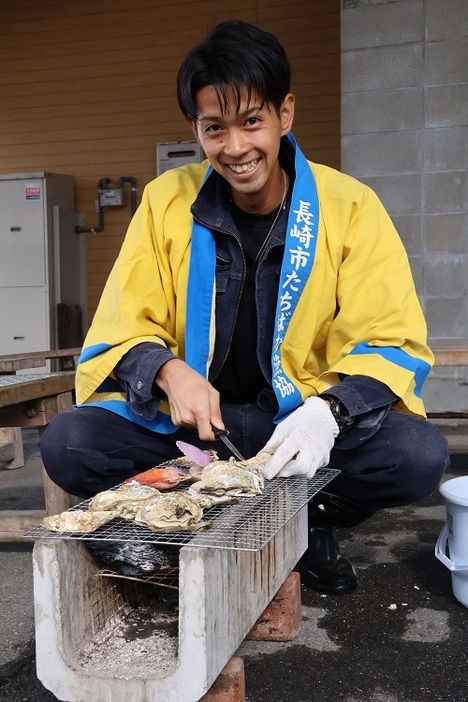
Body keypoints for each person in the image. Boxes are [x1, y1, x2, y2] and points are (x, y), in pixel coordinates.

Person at [40, 19, 449, 594]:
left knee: (415, 455)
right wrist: (167, 369)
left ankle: (307, 525)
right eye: (215, 128)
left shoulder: (351, 205)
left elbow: (392, 342)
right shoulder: (166, 201)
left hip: (298, 424)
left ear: (285, 114)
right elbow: (123, 324)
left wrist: (328, 413)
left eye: (252, 121)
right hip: (199, 428)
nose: (235, 148)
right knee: (69, 442)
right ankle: (192, 521)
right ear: (196, 129)